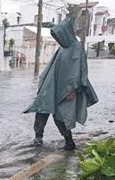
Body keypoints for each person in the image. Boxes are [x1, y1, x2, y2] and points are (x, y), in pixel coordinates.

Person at [25, 17, 99, 150]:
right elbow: (54, 67)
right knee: (41, 109)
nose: (57, 39)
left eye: (58, 36)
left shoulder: (76, 47)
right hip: (52, 86)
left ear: (65, 33)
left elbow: (81, 70)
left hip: (67, 90)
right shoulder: (62, 48)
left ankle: (69, 142)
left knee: (61, 115)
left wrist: (74, 90)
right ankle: (38, 138)